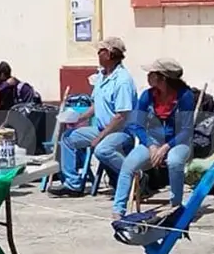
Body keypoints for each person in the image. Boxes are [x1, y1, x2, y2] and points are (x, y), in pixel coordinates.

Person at [50, 37, 137, 197]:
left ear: (109, 54)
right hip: (102, 128)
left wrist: (101, 137)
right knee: (68, 138)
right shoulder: (102, 77)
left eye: (100, 51)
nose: (97, 54)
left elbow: (121, 116)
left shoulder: (122, 80)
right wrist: (78, 119)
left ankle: (135, 175)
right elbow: (96, 106)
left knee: (102, 149)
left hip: (121, 132)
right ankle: (73, 184)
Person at [113, 58, 196, 217]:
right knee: (129, 164)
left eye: (151, 73)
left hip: (178, 142)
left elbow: (186, 130)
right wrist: (150, 145)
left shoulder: (185, 96)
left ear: (163, 78)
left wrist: (166, 147)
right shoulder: (147, 96)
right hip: (152, 141)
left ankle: (176, 206)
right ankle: (118, 209)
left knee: (174, 161)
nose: (148, 76)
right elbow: (137, 125)